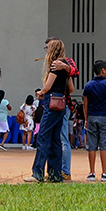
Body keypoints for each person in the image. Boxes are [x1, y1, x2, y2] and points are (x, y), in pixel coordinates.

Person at [28, 38, 72, 183]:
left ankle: (38, 173)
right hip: (61, 103)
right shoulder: (66, 66)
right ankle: (55, 174)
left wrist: (42, 92)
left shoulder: (55, 65)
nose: (46, 51)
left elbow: (48, 85)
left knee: (43, 137)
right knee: (55, 140)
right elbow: (70, 88)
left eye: (47, 48)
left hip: (51, 101)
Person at [82, 60, 106, 181]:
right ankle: (105, 172)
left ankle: (91, 172)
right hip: (105, 116)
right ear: (103, 70)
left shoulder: (88, 85)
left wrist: (86, 119)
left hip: (92, 116)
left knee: (91, 144)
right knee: (104, 144)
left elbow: (85, 104)